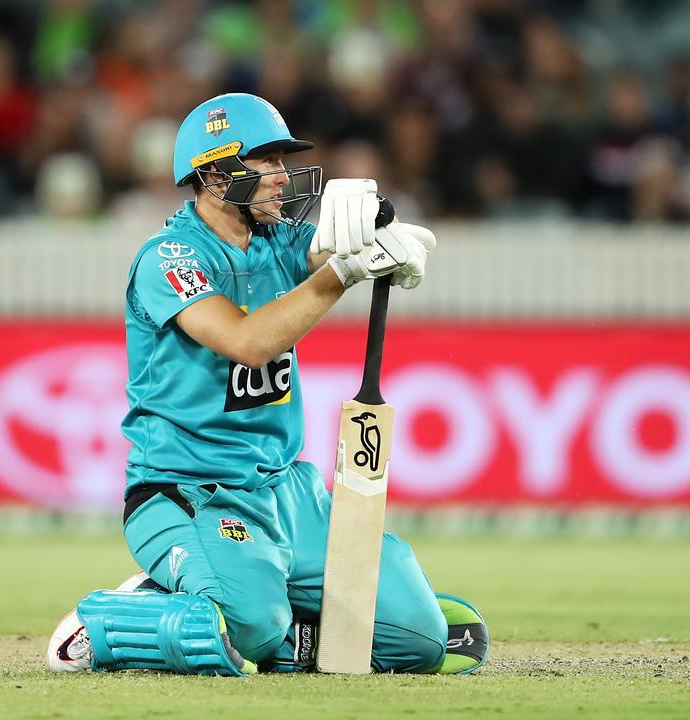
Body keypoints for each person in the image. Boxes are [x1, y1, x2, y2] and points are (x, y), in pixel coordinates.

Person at [43, 93, 488, 676]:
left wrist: (386, 228)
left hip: (286, 492)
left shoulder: (279, 242)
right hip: (188, 494)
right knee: (253, 624)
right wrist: (344, 274)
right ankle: (125, 613)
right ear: (214, 172)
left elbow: (345, 240)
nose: (283, 177)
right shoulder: (169, 258)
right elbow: (248, 341)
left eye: (283, 160)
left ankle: (245, 613)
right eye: (267, 161)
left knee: (421, 644)